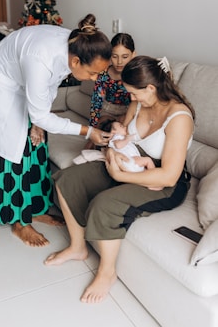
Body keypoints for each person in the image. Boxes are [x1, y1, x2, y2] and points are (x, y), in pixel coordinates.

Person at [44, 55, 195, 304]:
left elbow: (169, 175)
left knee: (105, 205)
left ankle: (106, 272)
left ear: (150, 88)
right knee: (66, 179)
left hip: (161, 181)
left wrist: (119, 175)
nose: (130, 99)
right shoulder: (138, 104)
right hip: (127, 161)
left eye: (134, 93)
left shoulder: (179, 117)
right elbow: (120, 135)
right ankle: (77, 247)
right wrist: (112, 152)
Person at [0, 14, 112, 247]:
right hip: (1, 84)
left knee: (36, 142)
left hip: (23, 79)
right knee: (12, 150)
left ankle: (35, 209)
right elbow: (43, 85)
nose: (95, 79)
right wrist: (87, 131)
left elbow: (51, 84)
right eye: (93, 73)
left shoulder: (73, 45)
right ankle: (18, 223)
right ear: (76, 62)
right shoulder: (41, 58)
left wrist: (38, 122)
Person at [89, 32, 136, 127]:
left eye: (125, 57)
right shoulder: (103, 74)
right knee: (103, 127)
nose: (119, 62)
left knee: (120, 128)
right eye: (114, 56)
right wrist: (92, 130)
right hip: (108, 112)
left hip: (129, 112)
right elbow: (96, 103)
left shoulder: (136, 74)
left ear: (133, 55)